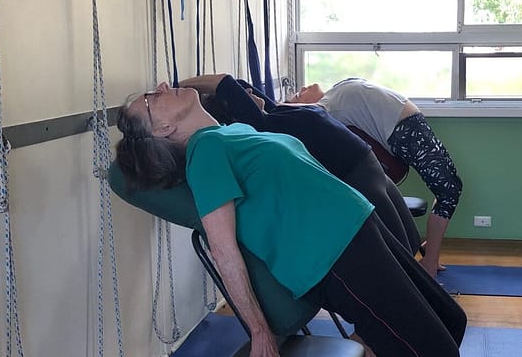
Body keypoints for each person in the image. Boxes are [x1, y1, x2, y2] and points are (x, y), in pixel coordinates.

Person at [115, 83, 466, 357]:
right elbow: (224, 252)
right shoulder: (204, 155)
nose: (160, 87)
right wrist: (260, 332)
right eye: (149, 98)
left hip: (361, 229)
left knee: (452, 321)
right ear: (163, 127)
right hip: (334, 258)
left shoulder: (231, 132)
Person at [177, 73, 421, 257]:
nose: (253, 94)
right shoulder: (265, 126)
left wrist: (224, 89)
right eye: (246, 98)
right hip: (357, 177)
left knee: (411, 242)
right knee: (399, 251)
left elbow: (238, 84)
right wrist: (182, 86)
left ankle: (422, 304)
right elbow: (225, 83)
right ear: (237, 112)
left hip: (372, 168)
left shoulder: (276, 113)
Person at [288, 78, 463, 278]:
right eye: (297, 95)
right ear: (302, 105)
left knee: (450, 189)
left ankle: (430, 250)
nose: (302, 88)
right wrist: (275, 106)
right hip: (405, 131)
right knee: (449, 190)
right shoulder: (323, 108)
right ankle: (429, 262)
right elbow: (291, 113)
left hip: (412, 123)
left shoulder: (335, 90)